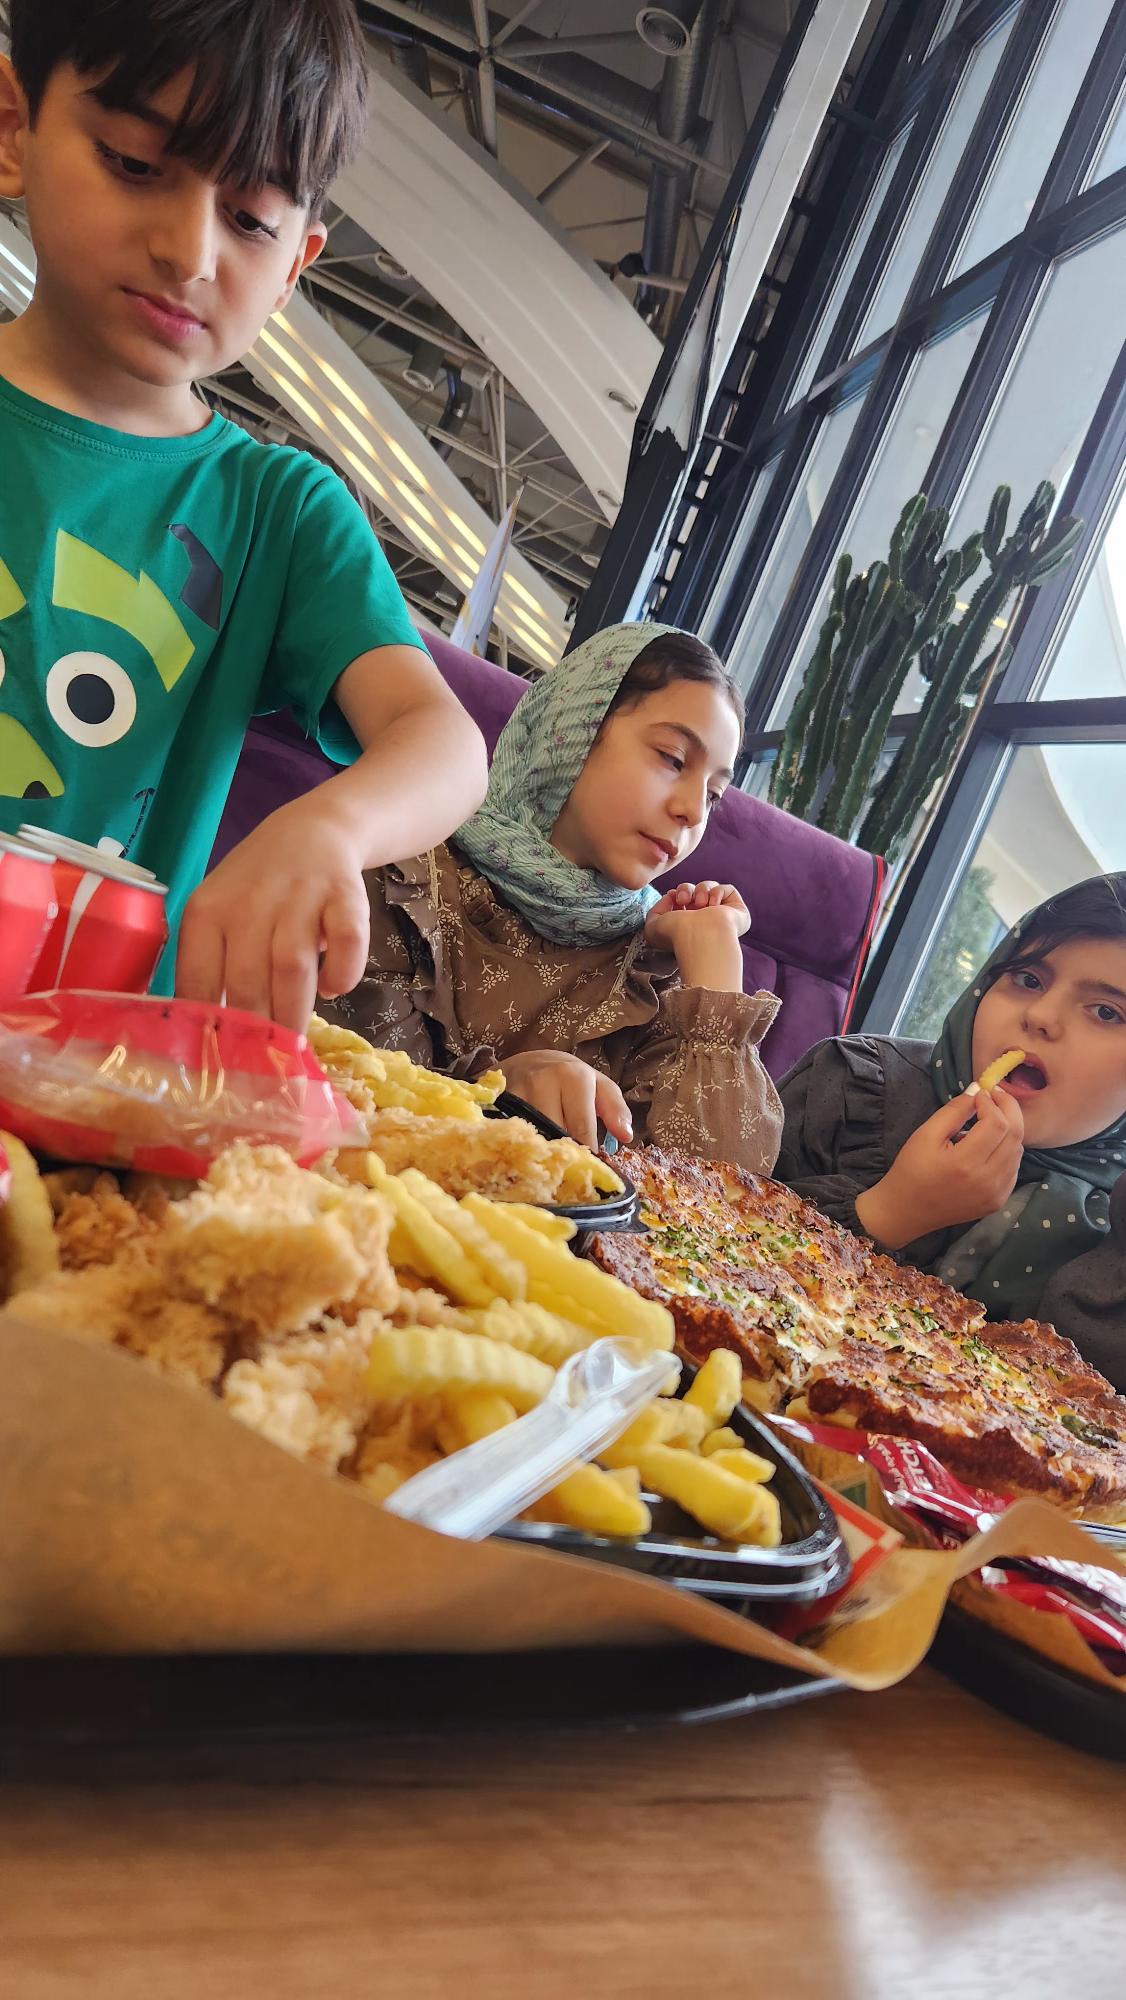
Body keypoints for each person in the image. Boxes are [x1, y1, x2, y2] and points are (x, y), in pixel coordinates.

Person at [0, 0, 488, 1028]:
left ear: (295, 265)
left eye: (251, 219)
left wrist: (330, 828)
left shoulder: (278, 511)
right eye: (135, 163)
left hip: (81, 1070)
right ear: (13, 128)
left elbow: (442, 740)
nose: (189, 250)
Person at [328, 623, 783, 1170]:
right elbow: (348, 1106)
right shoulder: (407, 869)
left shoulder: (653, 972)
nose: (692, 811)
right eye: (672, 758)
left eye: (714, 795)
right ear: (574, 729)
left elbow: (720, 1198)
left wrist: (715, 966)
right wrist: (498, 1096)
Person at [776, 874, 1126, 1387]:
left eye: (1106, 1012)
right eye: (1028, 979)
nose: (1041, 1016)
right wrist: (894, 1211)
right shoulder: (852, 1083)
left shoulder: (1112, 1234)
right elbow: (709, 1243)